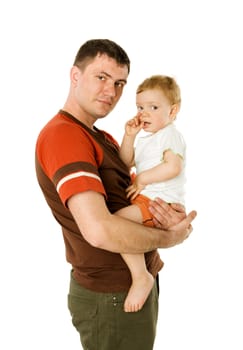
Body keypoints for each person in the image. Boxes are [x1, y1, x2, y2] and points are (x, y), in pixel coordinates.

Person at [35, 39, 197, 350]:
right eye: (101, 77)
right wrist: (169, 238)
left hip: (129, 289)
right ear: (75, 75)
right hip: (111, 296)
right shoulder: (64, 136)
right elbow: (99, 231)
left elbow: (137, 190)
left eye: (120, 82)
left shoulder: (100, 137)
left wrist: (168, 216)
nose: (112, 91)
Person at [116, 74, 186, 313]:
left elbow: (173, 166)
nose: (144, 113)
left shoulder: (170, 135)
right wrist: (129, 136)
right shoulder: (148, 140)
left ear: (172, 111)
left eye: (153, 107)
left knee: (118, 224)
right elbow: (125, 162)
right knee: (124, 228)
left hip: (159, 201)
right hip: (146, 198)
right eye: (140, 107)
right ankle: (141, 274)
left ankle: (140, 276)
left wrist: (143, 179)